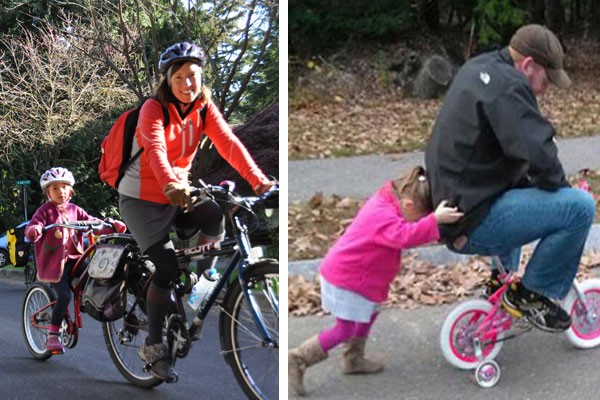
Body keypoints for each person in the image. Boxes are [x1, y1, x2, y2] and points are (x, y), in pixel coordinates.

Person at [116, 42, 274, 382]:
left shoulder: (204, 108)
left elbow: (228, 143)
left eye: (193, 76)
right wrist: (171, 183)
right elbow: (156, 148)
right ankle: (154, 345)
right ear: (168, 80)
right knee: (167, 265)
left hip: (180, 191)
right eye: (180, 77)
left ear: (201, 79)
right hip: (141, 197)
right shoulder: (152, 109)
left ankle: (203, 279)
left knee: (214, 215)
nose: (187, 83)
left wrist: (260, 183)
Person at [425, 24, 595, 333]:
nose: (545, 89)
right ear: (528, 65)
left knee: (521, 185)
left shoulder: (479, 67)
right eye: (546, 79)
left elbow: (514, 148)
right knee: (579, 207)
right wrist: (561, 190)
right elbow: (538, 154)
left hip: (456, 205)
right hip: (472, 219)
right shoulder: (509, 84)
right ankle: (533, 293)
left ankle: (499, 282)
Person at [288, 166, 463, 396]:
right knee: (344, 329)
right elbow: (406, 235)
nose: (418, 222)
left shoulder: (390, 201)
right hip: (347, 279)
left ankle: (353, 359)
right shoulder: (383, 217)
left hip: (362, 279)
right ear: (409, 205)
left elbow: (411, 229)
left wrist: (433, 224)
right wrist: (434, 221)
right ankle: (298, 358)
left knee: (370, 313)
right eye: (419, 217)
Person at [25, 167, 127, 354]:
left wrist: (109, 225)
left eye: (64, 187)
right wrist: (34, 230)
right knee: (64, 295)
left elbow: (91, 221)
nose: (60, 191)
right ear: (48, 192)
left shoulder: (75, 210)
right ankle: (53, 335)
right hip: (55, 265)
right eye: (54, 188)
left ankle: (89, 302)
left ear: (70, 190)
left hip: (75, 259)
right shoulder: (44, 211)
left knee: (95, 275)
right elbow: (34, 224)